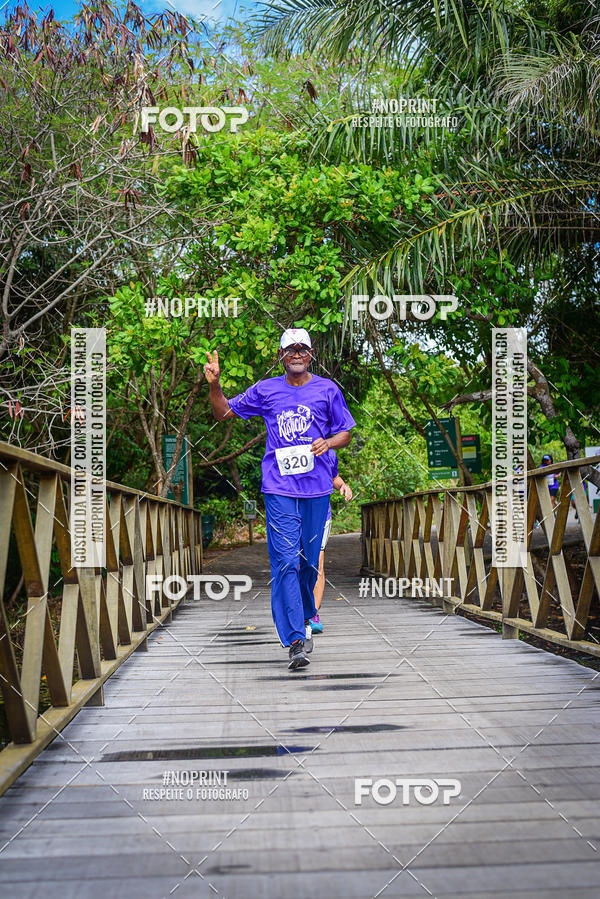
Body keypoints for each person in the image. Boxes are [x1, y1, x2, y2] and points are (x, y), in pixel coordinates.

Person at [203, 328, 356, 670]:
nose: (297, 354)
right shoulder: (267, 390)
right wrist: (215, 385)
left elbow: (345, 431)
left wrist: (329, 443)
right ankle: (294, 641)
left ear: (311, 354)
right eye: (291, 350)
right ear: (282, 355)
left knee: (309, 565)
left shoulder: (327, 390)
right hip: (279, 488)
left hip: (317, 489)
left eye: (303, 349)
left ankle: (304, 616)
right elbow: (223, 413)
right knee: (286, 560)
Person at [310, 450, 353, 634]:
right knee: (296, 563)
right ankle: (297, 611)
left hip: (321, 515)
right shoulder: (290, 445)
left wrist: (343, 485)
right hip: (294, 514)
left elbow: (334, 476)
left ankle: (313, 614)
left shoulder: (329, 453)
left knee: (317, 562)